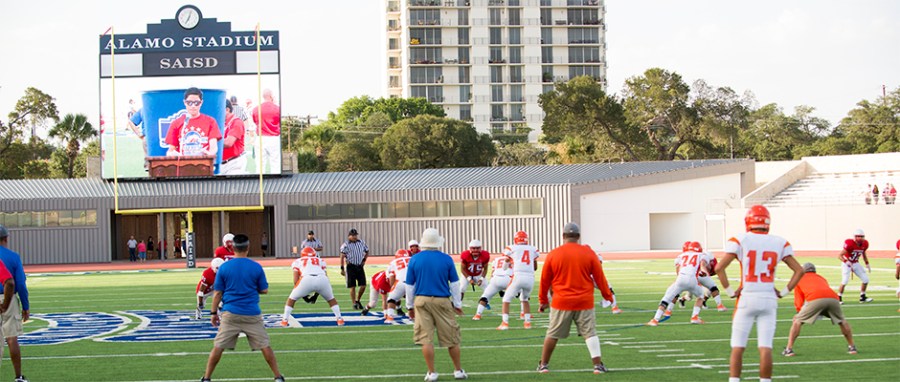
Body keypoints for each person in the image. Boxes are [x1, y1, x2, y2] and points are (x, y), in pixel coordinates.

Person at [715, 205, 805, 382]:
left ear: (748, 221)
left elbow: (719, 268)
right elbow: (799, 270)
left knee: (738, 347)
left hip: (747, 297)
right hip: (768, 299)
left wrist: (730, 292)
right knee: (765, 347)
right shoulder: (780, 242)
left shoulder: (741, 239)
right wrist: (784, 292)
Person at [201, 234, 284, 382]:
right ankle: (277, 376)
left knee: (218, 346)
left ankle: (206, 377)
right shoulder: (255, 266)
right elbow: (264, 289)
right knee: (265, 345)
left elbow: (218, 293)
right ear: (248, 247)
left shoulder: (224, 267)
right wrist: (251, 288)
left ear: (233, 248)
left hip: (230, 313)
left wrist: (213, 313)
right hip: (252, 313)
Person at [537, 222, 613, 375]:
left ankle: (544, 365)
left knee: (552, 333)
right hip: (584, 301)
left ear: (563, 236)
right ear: (578, 236)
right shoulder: (588, 253)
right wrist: (607, 295)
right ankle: (597, 366)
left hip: (561, 301)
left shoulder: (554, 254)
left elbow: (544, 280)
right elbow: (600, 277)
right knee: (590, 333)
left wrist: (543, 301)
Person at [405, 228, 466, 381]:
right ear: (438, 242)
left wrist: (409, 306)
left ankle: (431, 372)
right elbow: (455, 283)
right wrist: (457, 303)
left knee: (426, 338)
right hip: (442, 300)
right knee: (452, 337)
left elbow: (409, 286)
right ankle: (458, 370)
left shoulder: (415, 259)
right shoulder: (446, 259)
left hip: (421, 299)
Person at [782, 262, 857, 356]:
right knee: (842, 321)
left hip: (815, 299)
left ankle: (789, 349)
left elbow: (799, 299)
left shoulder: (799, 278)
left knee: (797, 321)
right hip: (833, 298)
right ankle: (852, 347)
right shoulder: (821, 278)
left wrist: (799, 312)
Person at [647, 241, 709, 326]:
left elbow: (678, 268)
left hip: (681, 278)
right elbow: (702, 265)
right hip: (693, 280)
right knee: (701, 296)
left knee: (666, 298)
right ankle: (694, 317)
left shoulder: (681, 256)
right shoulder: (701, 255)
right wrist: (704, 272)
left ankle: (655, 319)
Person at [281, 247, 344, 327]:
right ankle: (339, 319)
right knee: (331, 299)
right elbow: (325, 275)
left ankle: (285, 320)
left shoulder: (298, 261)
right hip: (322, 279)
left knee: (291, 300)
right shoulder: (321, 261)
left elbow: (295, 279)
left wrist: (303, 295)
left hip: (307, 278)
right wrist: (316, 295)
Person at [0, 225, 28, 382]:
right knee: (12, 338)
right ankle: (18, 377)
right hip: (8, 298)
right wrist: (26, 306)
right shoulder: (13, 257)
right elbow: (20, 284)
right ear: (6, 238)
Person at [498, 231, 538, 330]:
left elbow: (505, 265)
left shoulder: (512, 248)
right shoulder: (533, 249)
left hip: (518, 276)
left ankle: (505, 323)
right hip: (530, 278)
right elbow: (535, 267)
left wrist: (507, 264)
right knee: (525, 299)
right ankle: (527, 323)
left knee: (506, 299)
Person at [165, 87, 221, 157]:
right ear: (185, 103)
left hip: (204, 164)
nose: (193, 106)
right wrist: (172, 154)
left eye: (196, 103)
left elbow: (213, 147)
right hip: (183, 164)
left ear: (201, 103)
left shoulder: (210, 121)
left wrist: (210, 154)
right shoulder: (176, 123)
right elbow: (171, 150)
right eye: (190, 103)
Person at [472, 250, 512, 320]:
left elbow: (492, 272)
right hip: (508, 278)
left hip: (495, 279)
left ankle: (477, 315)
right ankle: (524, 313)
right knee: (523, 293)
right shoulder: (513, 258)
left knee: (485, 297)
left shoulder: (496, 259)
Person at [838, 229, 873, 303]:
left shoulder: (865, 244)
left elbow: (863, 253)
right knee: (845, 281)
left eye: (861, 236)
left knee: (865, 279)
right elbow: (840, 255)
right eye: (858, 236)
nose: (860, 238)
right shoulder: (850, 244)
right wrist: (846, 261)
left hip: (855, 263)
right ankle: (839, 297)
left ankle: (862, 297)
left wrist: (867, 263)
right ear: (854, 237)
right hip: (847, 263)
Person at [251, 89, 281, 172]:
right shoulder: (277, 109)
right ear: (271, 96)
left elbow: (255, 121)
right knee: (275, 165)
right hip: (273, 138)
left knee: (260, 166)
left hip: (261, 138)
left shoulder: (256, 109)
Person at [693, 242, 727, 312]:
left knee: (708, 291)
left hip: (689, 276)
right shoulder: (704, 257)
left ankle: (668, 311)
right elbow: (703, 265)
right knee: (694, 295)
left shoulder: (711, 260)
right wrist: (706, 274)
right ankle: (719, 306)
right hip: (697, 275)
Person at [340, 228, 369, 310]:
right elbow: (342, 256)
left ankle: (358, 300)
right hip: (351, 266)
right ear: (349, 236)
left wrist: (364, 260)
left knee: (363, 285)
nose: (354, 237)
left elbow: (367, 251)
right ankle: (354, 303)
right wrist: (342, 268)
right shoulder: (345, 245)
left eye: (355, 235)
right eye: (352, 235)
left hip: (359, 266)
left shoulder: (362, 243)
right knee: (352, 286)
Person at [384, 249, 413, 323]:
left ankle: (390, 317)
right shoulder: (413, 259)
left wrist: (392, 288)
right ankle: (413, 316)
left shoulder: (393, 262)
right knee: (412, 302)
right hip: (413, 282)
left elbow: (391, 277)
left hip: (400, 282)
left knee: (391, 299)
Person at [219, 99, 247, 175]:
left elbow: (228, 143)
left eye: (218, 109)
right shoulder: (221, 122)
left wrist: (211, 141)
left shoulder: (236, 122)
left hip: (234, 163)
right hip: (222, 164)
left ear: (227, 110)